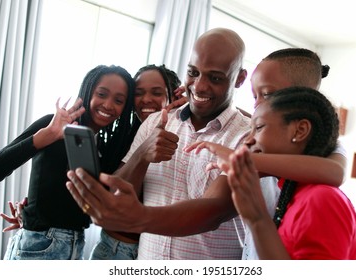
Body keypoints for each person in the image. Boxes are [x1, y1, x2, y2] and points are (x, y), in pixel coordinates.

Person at [66, 27, 251, 259]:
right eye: (193, 73)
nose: (200, 86)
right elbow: (118, 191)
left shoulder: (247, 136)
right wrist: (142, 154)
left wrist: (139, 218)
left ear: (240, 79)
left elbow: (215, 210)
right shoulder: (155, 122)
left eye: (215, 78)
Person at [0, 64, 183, 260]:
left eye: (119, 100)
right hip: (72, 244)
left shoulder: (112, 143)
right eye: (139, 93)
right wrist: (33, 212)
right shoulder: (56, 127)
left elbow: (93, 198)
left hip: (92, 246)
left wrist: (192, 109)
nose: (109, 105)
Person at [184, 48, 348, 259]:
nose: (258, 104)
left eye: (267, 94)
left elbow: (335, 173)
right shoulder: (261, 139)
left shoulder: (326, 148)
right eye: (255, 96)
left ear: (302, 95)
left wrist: (244, 160)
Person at [0, 64, 136, 260]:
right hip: (39, 245)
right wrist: (46, 136)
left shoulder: (106, 147)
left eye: (118, 100)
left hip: (74, 247)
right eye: (102, 94)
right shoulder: (51, 125)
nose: (109, 105)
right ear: (87, 91)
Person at [225, 87, 356, 259]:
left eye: (259, 127)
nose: (247, 140)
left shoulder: (322, 199)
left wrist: (258, 219)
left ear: (300, 131)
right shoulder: (290, 192)